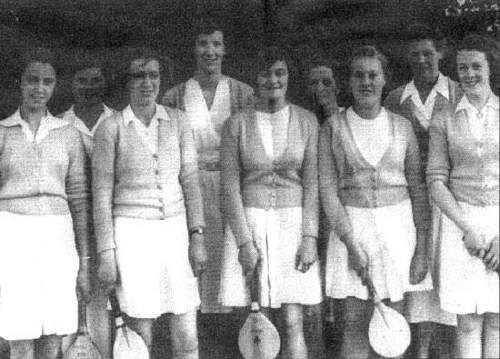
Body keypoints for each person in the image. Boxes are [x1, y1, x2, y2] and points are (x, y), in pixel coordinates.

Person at [93, 47, 207, 359]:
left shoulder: (179, 121)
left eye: (153, 75)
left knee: (186, 333)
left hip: (175, 230)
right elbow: (102, 198)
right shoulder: (110, 128)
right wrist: (106, 253)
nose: (147, 83)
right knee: (140, 332)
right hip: (132, 234)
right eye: (139, 76)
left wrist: (197, 236)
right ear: (126, 82)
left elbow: (191, 182)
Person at [319, 45, 432, 359]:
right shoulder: (333, 127)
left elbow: (418, 189)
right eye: (359, 75)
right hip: (351, 230)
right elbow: (328, 191)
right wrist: (351, 244)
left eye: (373, 75)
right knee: (354, 322)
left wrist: (422, 246)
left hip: (398, 231)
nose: (366, 82)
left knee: (391, 326)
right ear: (349, 82)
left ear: (385, 80)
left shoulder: (402, 126)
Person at [219, 46, 322, 359]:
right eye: (265, 74)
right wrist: (243, 243)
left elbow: (313, 184)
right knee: (257, 325)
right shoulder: (235, 125)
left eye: (280, 73)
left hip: (293, 226)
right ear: (254, 79)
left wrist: (309, 237)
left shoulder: (307, 121)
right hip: (250, 224)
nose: (273, 80)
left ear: (288, 76)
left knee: (293, 322)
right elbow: (229, 187)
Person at [0, 48, 90, 359]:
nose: (39, 88)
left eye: (47, 82)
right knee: (20, 334)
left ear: (55, 87)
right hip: (13, 236)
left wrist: (84, 259)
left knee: (53, 332)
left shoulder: (68, 134)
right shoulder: (3, 132)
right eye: (32, 80)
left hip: (58, 238)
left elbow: (78, 198)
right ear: (19, 83)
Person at [162, 18, 253, 319]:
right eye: (203, 43)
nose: (209, 51)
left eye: (216, 43)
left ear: (225, 49)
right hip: (191, 190)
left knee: (230, 269)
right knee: (192, 268)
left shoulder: (243, 93)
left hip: (232, 187)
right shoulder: (174, 97)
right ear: (193, 49)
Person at [384, 24, 458, 359]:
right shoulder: (395, 99)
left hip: (451, 197)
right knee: (418, 277)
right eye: (414, 54)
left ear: (441, 53)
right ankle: (420, 351)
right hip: (410, 197)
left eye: (428, 52)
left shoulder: (457, 93)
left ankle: (451, 350)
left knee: (449, 273)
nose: (422, 60)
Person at [427, 34, 499, 359]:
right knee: (468, 324)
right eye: (462, 68)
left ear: (490, 67)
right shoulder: (444, 117)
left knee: (498, 322)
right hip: (461, 224)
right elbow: (436, 180)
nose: (469, 74)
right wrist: (465, 228)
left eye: (476, 66)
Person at [59, 53, 115, 359]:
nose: (90, 88)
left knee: (109, 299)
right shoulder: (61, 125)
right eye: (82, 81)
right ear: (71, 85)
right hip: (74, 223)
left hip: (111, 223)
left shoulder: (118, 120)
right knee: (74, 295)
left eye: (96, 81)